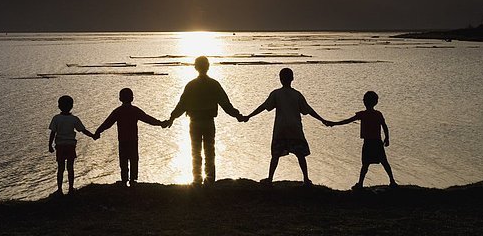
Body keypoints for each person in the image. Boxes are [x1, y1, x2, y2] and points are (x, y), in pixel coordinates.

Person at [165, 56, 245, 186]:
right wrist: (238, 116)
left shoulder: (191, 85)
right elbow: (226, 104)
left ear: (196, 67)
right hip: (208, 122)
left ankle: (197, 180)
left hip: (195, 122)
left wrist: (172, 118)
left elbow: (182, 105)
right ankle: (209, 180)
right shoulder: (214, 84)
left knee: (196, 151)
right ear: (208, 67)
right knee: (209, 151)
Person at [244, 68, 329, 186]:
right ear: (292, 79)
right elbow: (308, 110)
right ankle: (306, 179)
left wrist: (249, 116)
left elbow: (264, 106)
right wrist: (323, 120)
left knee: (275, 155)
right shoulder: (297, 94)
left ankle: (270, 179)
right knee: (300, 155)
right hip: (295, 129)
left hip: (281, 129)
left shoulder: (276, 94)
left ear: (280, 79)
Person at [95, 88, 166, 187]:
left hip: (123, 140)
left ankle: (124, 180)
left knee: (123, 160)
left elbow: (107, 124)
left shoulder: (118, 111)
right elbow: (148, 119)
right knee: (134, 159)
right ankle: (133, 180)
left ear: (120, 98)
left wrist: (97, 132)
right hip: (133, 140)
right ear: (132, 98)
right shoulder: (135, 110)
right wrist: (160, 123)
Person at [327, 91, 397, 189]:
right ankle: (392, 181)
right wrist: (387, 138)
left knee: (366, 164)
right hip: (377, 142)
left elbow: (347, 121)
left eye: (364, 99)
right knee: (383, 162)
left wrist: (334, 123)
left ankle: (360, 184)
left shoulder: (363, 114)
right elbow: (384, 126)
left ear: (365, 102)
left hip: (369, 143)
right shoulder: (378, 114)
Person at [48, 95, 95, 196]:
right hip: (70, 146)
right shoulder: (74, 119)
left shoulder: (56, 118)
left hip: (60, 146)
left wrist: (50, 145)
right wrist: (93, 136)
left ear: (59, 106)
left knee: (60, 168)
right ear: (72, 106)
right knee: (70, 168)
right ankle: (70, 189)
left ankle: (60, 190)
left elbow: (53, 133)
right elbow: (83, 130)